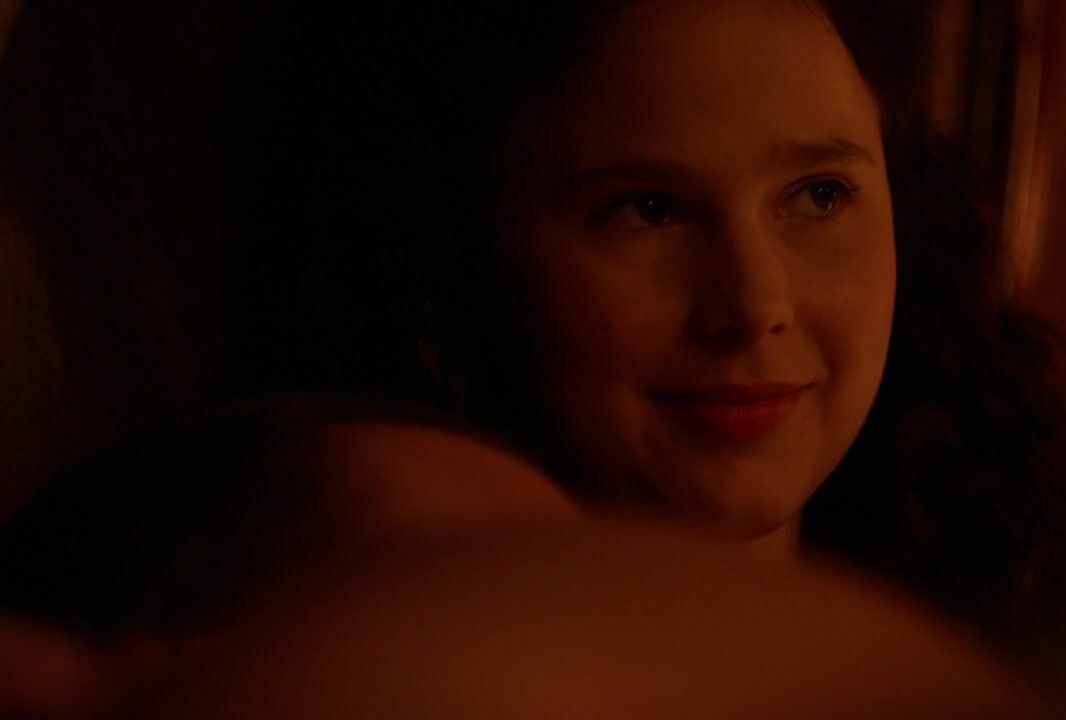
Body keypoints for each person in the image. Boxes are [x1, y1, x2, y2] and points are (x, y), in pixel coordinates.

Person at [1, 0, 1065, 716]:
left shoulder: (1012, 612)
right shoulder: (325, 579)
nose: (754, 304)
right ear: (466, 248)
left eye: (819, 196)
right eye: (646, 210)